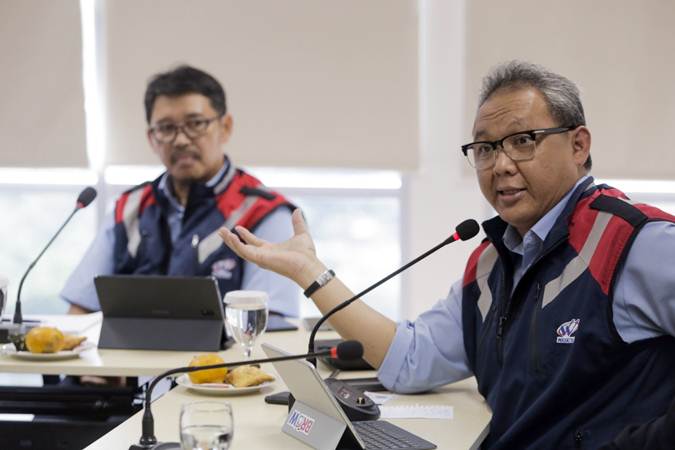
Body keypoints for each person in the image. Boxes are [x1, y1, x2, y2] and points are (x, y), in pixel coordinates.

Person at [219, 61, 675, 449]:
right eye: (485, 148)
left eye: (523, 140)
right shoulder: (494, 261)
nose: (501, 164)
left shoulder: (635, 243)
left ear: (579, 145)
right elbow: (409, 359)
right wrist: (310, 273)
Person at [61, 65, 299, 317]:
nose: (181, 140)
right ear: (152, 138)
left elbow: (270, 325)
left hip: (226, 358)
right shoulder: (129, 208)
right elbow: (80, 311)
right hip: (128, 356)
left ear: (225, 127)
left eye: (195, 123)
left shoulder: (264, 213)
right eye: (166, 128)